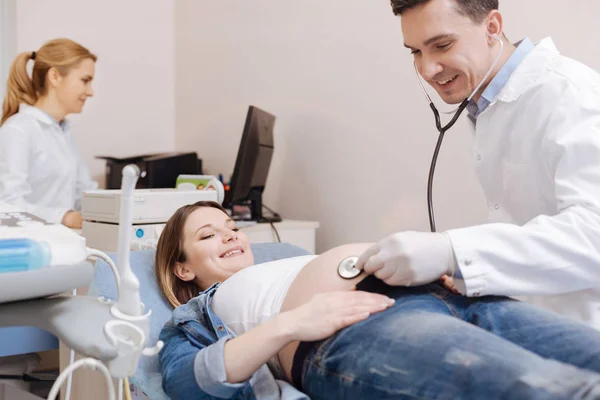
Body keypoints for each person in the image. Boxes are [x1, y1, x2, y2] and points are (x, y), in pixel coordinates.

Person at [157, 200, 600, 400]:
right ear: (184, 268)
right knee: (550, 388)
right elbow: (186, 383)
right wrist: (292, 323)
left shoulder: (290, 257)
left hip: (454, 296)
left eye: (231, 227)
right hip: (359, 330)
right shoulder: (193, 317)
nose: (230, 234)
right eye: (207, 235)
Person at [354, 0, 600, 330]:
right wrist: (467, 271)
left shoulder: (572, 95)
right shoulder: (488, 104)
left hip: (583, 331)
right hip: (532, 320)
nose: (428, 69)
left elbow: (593, 235)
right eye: (415, 52)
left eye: (442, 45)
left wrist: (454, 252)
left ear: (492, 27)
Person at [0, 38, 98, 228]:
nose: (91, 91)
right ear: (54, 77)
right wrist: (65, 217)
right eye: (85, 81)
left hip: (65, 242)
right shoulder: (18, 130)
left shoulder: (63, 131)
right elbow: (8, 204)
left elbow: (83, 191)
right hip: (32, 246)